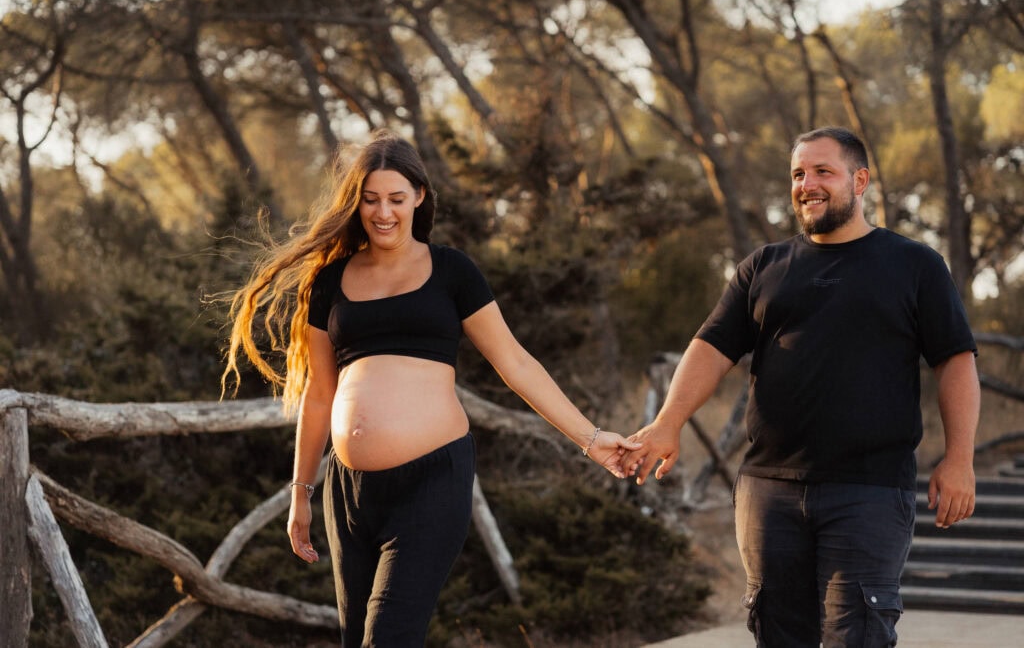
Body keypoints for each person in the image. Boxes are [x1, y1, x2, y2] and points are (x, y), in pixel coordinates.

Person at [222, 129, 638, 645]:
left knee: (388, 638)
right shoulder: (329, 281)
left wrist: (591, 440)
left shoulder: (452, 272)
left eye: (396, 199)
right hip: (348, 493)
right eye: (369, 200)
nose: (383, 213)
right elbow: (319, 394)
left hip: (431, 482)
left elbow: (516, 364)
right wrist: (301, 493)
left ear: (419, 196)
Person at [624, 126, 980, 647]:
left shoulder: (914, 265)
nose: (806, 184)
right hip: (769, 491)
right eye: (797, 174)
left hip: (870, 491)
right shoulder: (763, 267)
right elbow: (711, 348)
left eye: (822, 171)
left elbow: (955, 361)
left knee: (858, 635)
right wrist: (667, 422)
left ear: (859, 181)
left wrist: (960, 458)